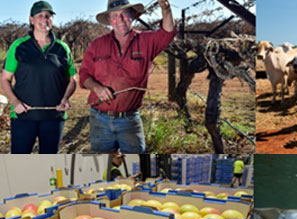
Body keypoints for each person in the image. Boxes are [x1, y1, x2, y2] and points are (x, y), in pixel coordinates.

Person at [79, 0, 177, 153]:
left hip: (130, 119)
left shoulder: (146, 42)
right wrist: (96, 88)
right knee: (103, 163)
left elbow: (168, 32)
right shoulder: (96, 45)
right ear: (110, 21)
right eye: (115, 16)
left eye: (125, 14)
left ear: (132, 16)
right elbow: (84, 75)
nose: (121, 20)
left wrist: (166, 8)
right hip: (99, 119)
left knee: (135, 161)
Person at [0, 1, 76, 154]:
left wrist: (66, 98)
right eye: (39, 15)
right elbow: (4, 79)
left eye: (48, 16)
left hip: (54, 117)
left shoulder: (62, 48)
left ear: (52, 20)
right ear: (31, 19)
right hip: (23, 117)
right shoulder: (19, 46)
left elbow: (73, 80)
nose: (44, 19)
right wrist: (15, 102)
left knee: (49, 162)